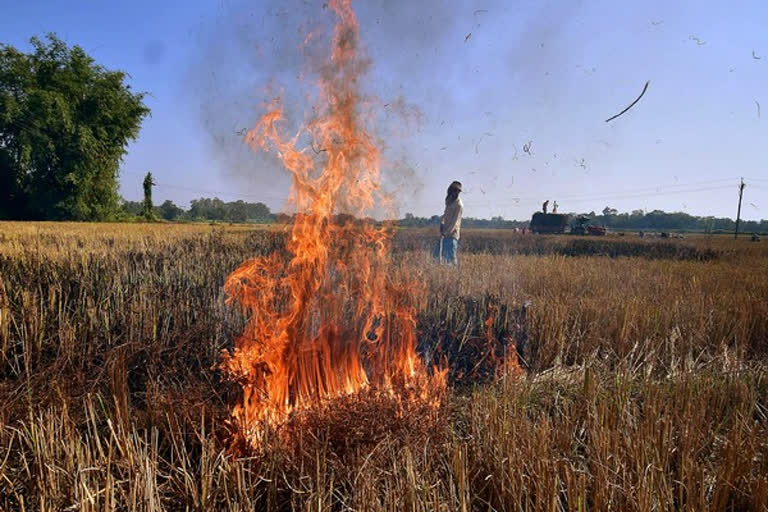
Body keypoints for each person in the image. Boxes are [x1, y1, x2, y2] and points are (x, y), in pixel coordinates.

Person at [434, 181, 463, 264]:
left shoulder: (459, 205)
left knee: (450, 258)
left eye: (458, 191)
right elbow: (445, 214)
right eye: (454, 191)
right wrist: (442, 222)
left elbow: (455, 222)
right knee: (436, 255)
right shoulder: (449, 200)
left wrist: (446, 233)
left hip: (452, 234)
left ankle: (453, 274)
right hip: (444, 233)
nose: (456, 193)